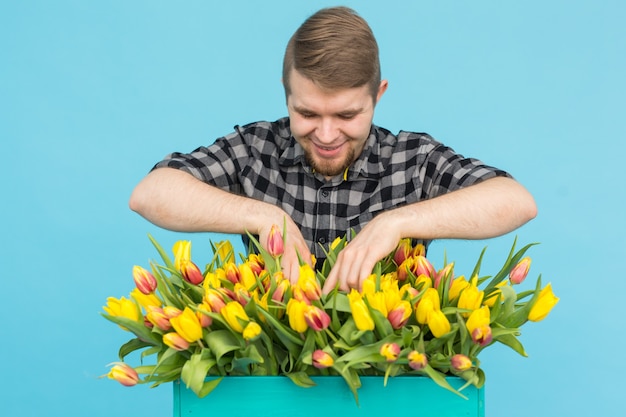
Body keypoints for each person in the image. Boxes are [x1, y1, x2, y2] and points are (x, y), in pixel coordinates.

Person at [129, 6, 537, 294]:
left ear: (378, 97)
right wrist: (265, 217)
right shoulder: (255, 149)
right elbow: (151, 193)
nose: (326, 134)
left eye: (346, 115)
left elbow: (515, 201)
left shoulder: (412, 159)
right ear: (286, 96)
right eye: (306, 113)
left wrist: (394, 224)